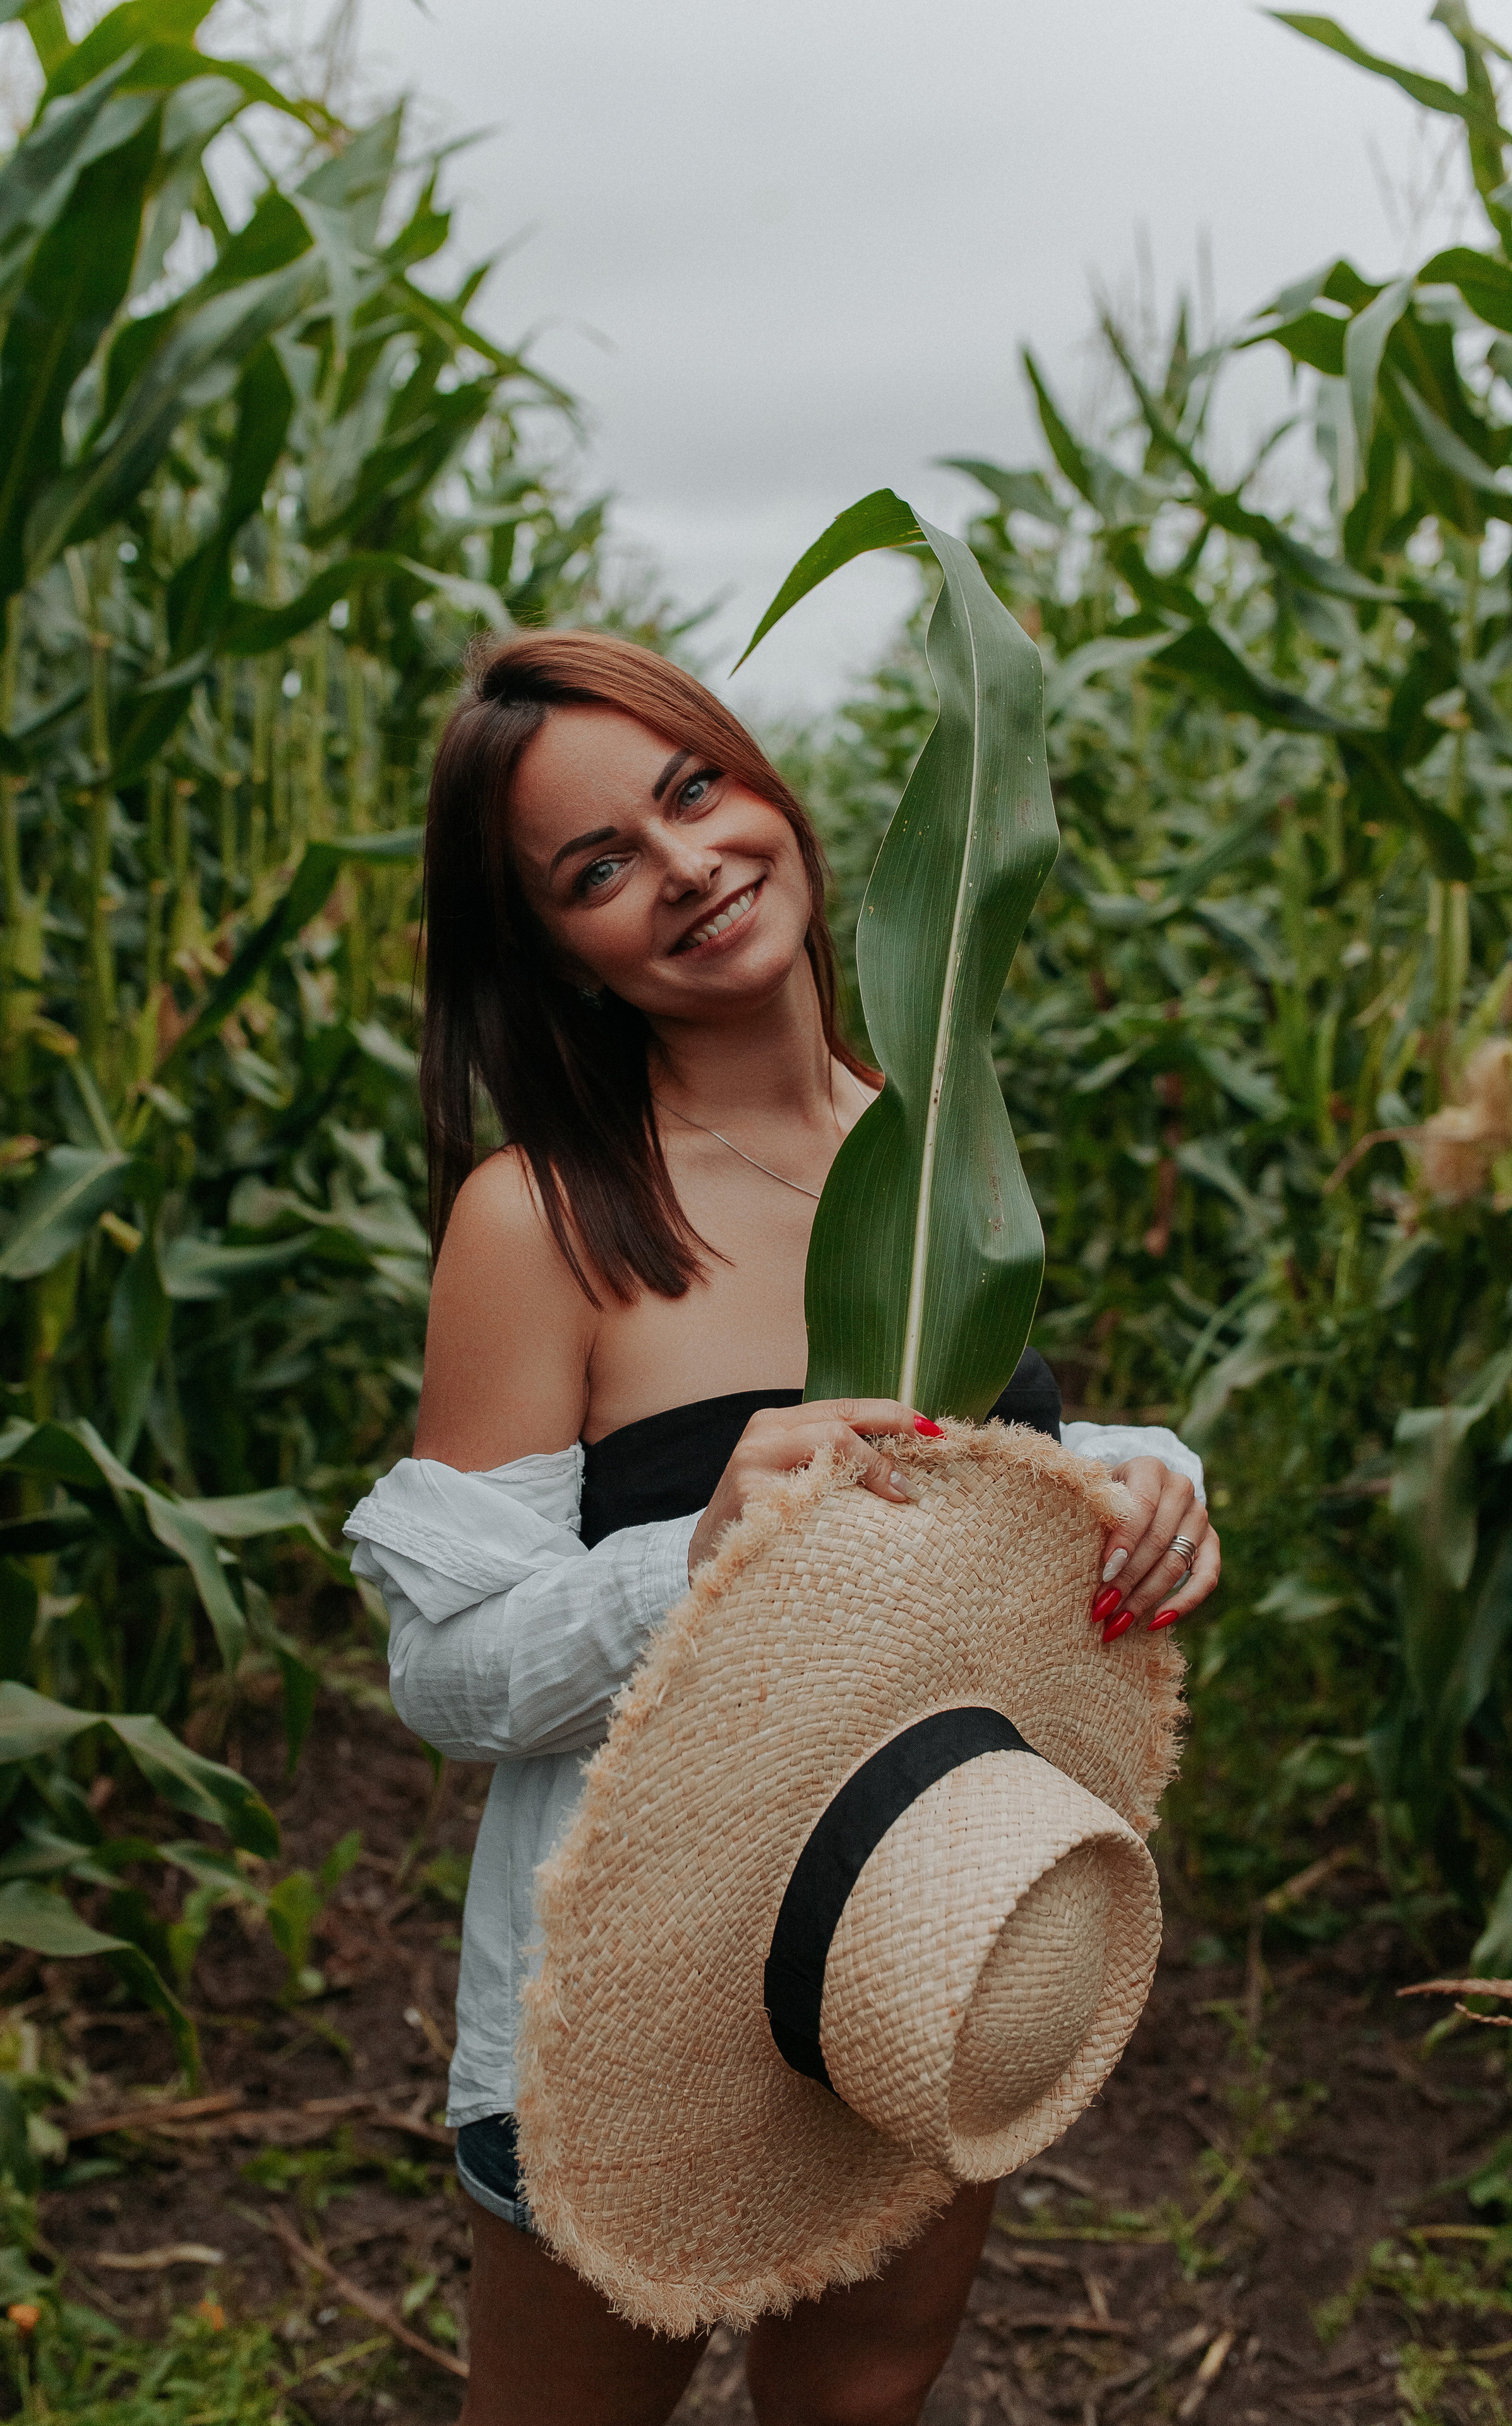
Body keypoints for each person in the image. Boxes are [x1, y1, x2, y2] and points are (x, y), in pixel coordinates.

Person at [344, 631, 1221, 2426]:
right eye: (599, 867)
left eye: (696, 791)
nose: (685, 865)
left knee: (867, 2395)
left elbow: (964, 1474)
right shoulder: (542, 1218)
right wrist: (692, 1559)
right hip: (644, 1996)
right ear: (555, 948)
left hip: (927, 1930)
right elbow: (444, 1675)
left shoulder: (930, 1146)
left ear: (769, 792)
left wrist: (1145, 1483)